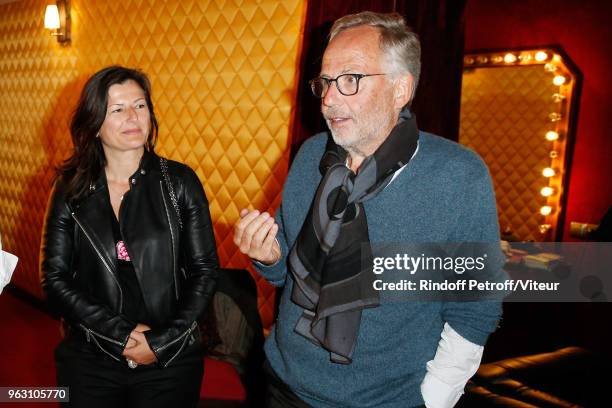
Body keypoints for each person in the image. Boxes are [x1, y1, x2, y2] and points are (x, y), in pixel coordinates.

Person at [234, 11, 503, 408]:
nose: (328, 98)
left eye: (350, 80)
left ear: (401, 89)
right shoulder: (311, 156)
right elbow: (289, 270)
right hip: (284, 384)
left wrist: (434, 399)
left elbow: (476, 309)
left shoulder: (458, 176)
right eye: (325, 81)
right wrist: (270, 256)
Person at [41, 66, 219, 408]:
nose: (133, 117)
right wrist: (119, 333)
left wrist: (161, 341)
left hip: (169, 356)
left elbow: (205, 270)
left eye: (140, 105)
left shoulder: (179, 182)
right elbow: (54, 279)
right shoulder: (70, 188)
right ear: (94, 122)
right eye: (117, 109)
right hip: (92, 354)